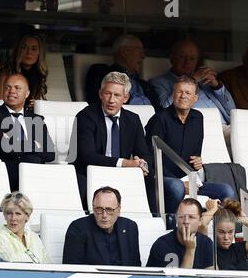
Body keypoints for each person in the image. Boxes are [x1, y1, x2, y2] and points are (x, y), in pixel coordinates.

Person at [145, 75, 235, 229]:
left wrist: (198, 163)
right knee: (176, 187)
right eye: (179, 92)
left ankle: (219, 233)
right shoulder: (159, 119)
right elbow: (151, 160)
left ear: (195, 98)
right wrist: (181, 182)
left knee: (226, 190)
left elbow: (193, 157)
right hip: (161, 179)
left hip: (189, 180)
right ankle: (173, 229)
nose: (183, 96)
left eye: (188, 93)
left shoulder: (198, 118)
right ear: (173, 94)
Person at [71, 71, 154, 211]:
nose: (111, 100)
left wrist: (142, 164)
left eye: (117, 95)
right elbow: (87, 156)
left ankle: (152, 222)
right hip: (90, 172)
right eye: (108, 94)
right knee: (80, 182)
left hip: (122, 174)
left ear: (126, 98)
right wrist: (124, 163)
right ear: (100, 94)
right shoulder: (86, 116)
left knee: (152, 181)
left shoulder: (133, 120)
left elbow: (144, 153)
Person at [149, 39, 236, 144]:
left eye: (192, 58)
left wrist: (217, 86)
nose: (187, 62)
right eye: (182, 57)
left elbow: (232, 110)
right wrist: (192, 80)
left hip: (227, 127)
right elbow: (166, 108)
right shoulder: (159, 82)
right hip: (201, 128)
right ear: (171, 58)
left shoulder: (205, 82)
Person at [0, 73, 55, 191]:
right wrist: (35, 145)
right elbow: (6, 148)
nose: (11, 91)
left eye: (17, 88)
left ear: (27, 93)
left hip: (36, 176)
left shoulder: (36, 119)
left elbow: (50, 153)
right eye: (7, 87)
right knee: (33, 160)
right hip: (6, 174)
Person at [62, 186, 141, 266]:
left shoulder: (130, 227)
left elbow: (136, 266)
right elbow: (71, 270)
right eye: (99, 209)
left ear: (119, 210)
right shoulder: (78, 228)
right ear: (93, 208)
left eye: (109, 209)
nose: (104, 215)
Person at [85, 34, 160, 110]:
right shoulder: (101, 72)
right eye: (140, 51)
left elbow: (159, 109)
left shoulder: (144, 85)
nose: (143, 56)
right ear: (124, 52)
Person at [146, 198, 214, 269]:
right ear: (176, 218)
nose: (186, 221)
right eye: (181, 216)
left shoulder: (207, 243)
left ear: (200, 221)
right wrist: (190, 250)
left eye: (191, 217)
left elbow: (213, 277)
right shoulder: (162, 245)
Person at [0, 34, 48, 110]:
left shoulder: (38, 74)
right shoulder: (5, 73)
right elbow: (0, 104)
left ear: (40, 53)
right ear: (18, 50)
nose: (29, 52)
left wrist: (36, 104)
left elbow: (37, 102)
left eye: (34, 49)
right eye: (24, 48)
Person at [0, 192, 51, 263]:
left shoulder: (34, 237)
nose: (13, 218)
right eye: (9, 213)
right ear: (4, 215)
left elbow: (48, 264)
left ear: (27, 216)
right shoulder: (0, 237)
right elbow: (13, 264)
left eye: (18, 214)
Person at [199, 198, 248, 270]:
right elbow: (202, 224)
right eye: (221, 232)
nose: (226, 237)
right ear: (214, 230)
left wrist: (244, 218)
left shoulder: (240, 248)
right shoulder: (209, 249)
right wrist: (213, 210)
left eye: (230, 232)